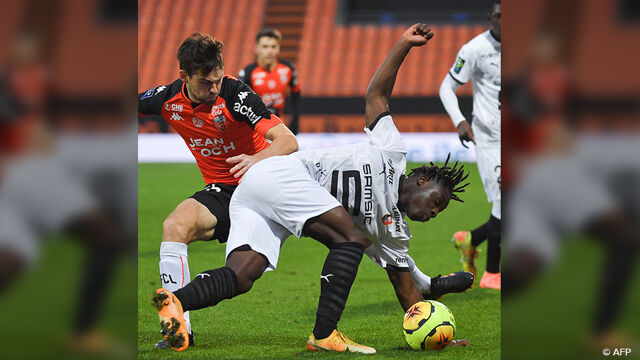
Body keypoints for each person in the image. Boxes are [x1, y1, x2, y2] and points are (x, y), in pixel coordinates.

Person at [152, 23, 473, 353]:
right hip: (277, 174)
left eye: (439, 210)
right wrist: (404, 44)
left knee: (242, 275)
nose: (434, 212)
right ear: (422, 181)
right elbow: (377, 95)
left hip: (258, 200)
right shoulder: (392, 152)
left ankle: (176, 300)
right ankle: (324, 334)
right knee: (349, 238)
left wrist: (435, 336)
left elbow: (408, 291)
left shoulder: (394, 234)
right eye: (437, 201)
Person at [138, 32, 298, 347]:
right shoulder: (167, 99)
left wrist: (256, 159)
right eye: (205, 83)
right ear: (183, 76)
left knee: (346, 231)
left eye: (218, 79)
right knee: (174, 225)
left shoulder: (236, 95)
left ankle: (415, 279)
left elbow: (288, 141)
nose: (214, 88)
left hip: (265, 189)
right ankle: (177, 329)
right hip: (223, 193)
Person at [439, 2, 502, 289]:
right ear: (491, 18)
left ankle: (470, 239)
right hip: (490, 139)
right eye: (501, 16)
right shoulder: (474, 49)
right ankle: (491, 275)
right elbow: (446, 87)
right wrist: (459, 121)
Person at [238, 28, 301, 134]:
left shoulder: (288, 69)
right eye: (265, 47)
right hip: (256, 129)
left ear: (278, 49)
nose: (269, 51)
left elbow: (296, 95)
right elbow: (240, 103)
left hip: (280, 126)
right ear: (256, 49)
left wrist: (295, 120)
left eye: (273, 47)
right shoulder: (247, 72)